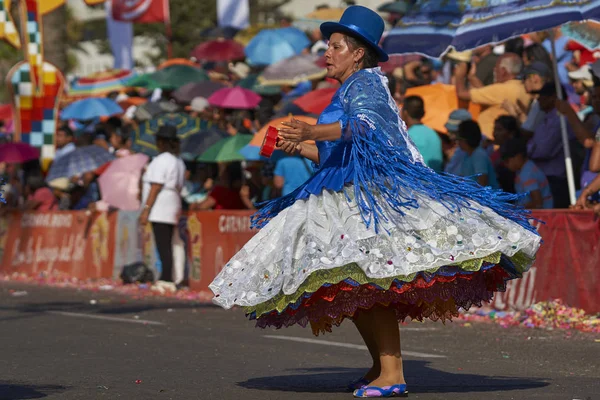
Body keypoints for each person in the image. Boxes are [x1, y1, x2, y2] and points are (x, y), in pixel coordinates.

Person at [209, 6, 540, 398]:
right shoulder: (347, 87)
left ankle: (393, 373)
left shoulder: (365, 82)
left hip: (368, 197)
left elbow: (365, 128)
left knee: (368, 281)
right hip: (343, 188)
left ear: (357, 52)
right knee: (352, 286)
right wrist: (302, 145)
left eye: (334, 46)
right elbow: (341, 153)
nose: (326, 53)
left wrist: (315, 129)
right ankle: (379, 367)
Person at [139, 125, 186, 293]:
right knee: (170, 243)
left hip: (161, 205)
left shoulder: (161, 160)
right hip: (173, 201)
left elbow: (155, 186)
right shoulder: (178, 160)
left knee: (163, 244)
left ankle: (167, 278)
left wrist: (146, 209)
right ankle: (172, 276)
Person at [455, 52, 531, 139]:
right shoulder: (522, 87)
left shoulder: (502, 89)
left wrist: (460, 74)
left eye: (496, 68)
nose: (494, 70)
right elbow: (489, 95)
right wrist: (472, 78)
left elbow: (461, 94)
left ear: (503, 71)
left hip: (490, 143)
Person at [502, 138, 553, 209]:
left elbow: (537, 202)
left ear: (518, 156)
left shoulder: (527, 174)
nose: (506, 165)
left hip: (540, 215)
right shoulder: (526, 168)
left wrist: (517, 209)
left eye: (507, 161)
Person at [401, 95, 443, 172]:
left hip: (417, 182)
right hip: (435, 181)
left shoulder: (407, 137)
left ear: (405, 113)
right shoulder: (434, 134)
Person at [456, 120, 500, 189]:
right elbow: (462, 178)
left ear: (466, 139)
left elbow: (482, 183)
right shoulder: (467, 155)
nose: (457, 142)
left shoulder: (479, 155)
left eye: (459, 139)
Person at [443, 109, 472, 175]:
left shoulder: (478, 147)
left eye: (453, 131)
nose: (448, 134)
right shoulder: (455, 148)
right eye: (448, 130)